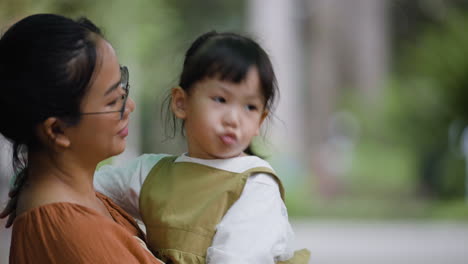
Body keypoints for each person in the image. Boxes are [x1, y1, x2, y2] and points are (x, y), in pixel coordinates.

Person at [95, 31, 310, 264]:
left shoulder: (255, 186)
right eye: (220, 99)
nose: (233, 119)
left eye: (250, 107)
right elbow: (80, 186)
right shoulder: (150, 174)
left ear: (260, 121)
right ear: (181, 102)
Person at [0, 14, 163, 263]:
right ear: (57, 131)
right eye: (112, 101)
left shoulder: (76, 196)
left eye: (123, 87)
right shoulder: (72, 232)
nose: (129, 105)